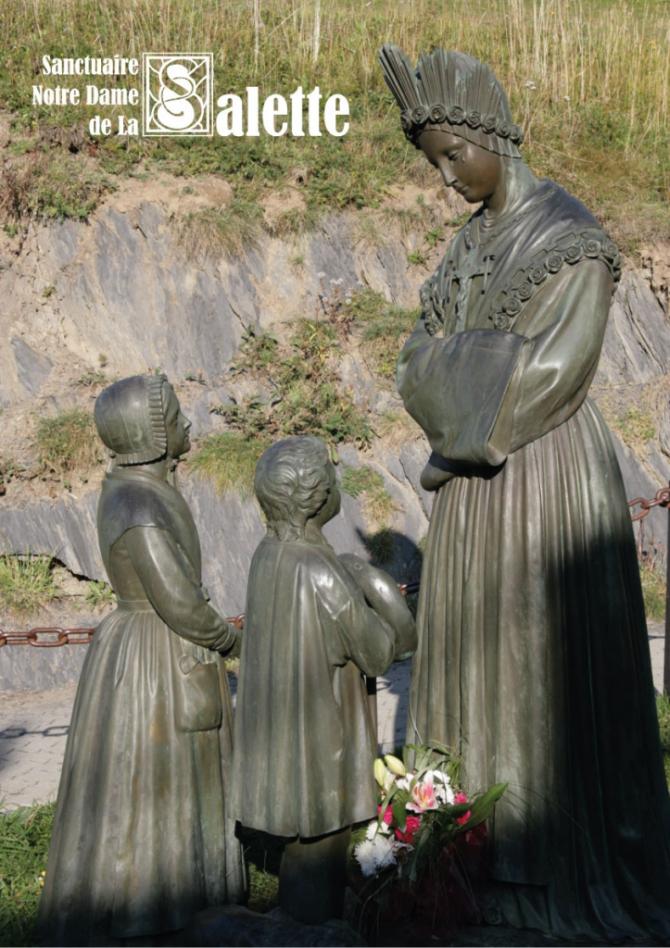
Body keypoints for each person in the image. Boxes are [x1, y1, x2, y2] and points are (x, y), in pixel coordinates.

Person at [378, 45, 670, 941]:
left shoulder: (570, 237)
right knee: (470, 656)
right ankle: (473, 864)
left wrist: (465, 378)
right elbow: (413, 363)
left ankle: (552, 866)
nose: (443, 179)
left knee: (540, 661)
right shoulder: (465, 250)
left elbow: (552, 371)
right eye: (432, 162)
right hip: (474, 496)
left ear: (493, 136)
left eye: (450, 156)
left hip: (545, 484)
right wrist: (467, 370)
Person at [37, 374, 245, 945]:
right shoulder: (139, 504)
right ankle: (153, 904)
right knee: (154, 779)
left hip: (137, 643)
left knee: (138, 778)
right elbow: (177, 599)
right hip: (154, 654)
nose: (186, 426)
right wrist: (230, 642)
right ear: (151, 434)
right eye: (175, 418)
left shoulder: (129, 489)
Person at [232, 435, 416, 924]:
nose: (339, 486)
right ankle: (312, 930)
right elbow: (379, 652)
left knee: (303, 848)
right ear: (318, 498)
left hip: (286, 742)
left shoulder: (267, 554)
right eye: (333, 479)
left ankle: (305, 917)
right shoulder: (323, 572)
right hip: (322, 749)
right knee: (321, 846)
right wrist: (374, 584)